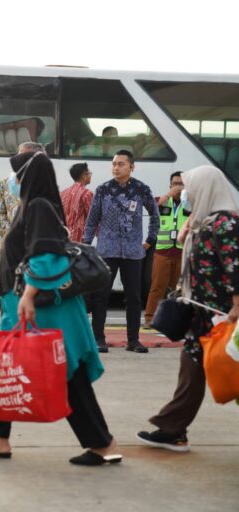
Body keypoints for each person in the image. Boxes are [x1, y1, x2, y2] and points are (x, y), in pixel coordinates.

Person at [0, 151, 120, 466]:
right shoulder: (35, 204)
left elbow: (47, 256)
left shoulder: (38, 206)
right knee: (12, 370)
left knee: (67, 374)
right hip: (27, 304)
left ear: (27, 177)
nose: (14, 180)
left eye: (17, 174)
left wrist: (29, 296)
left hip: (42, 307)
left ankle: (103, 444)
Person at [137, 166, 239, 452]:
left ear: (206, 188)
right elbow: (185, 244)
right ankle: (173, 429)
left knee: (205, 369)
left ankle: (172, 429)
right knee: (192, 368)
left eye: (190, 188)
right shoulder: (205, 220)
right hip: (203, 313)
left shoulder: (226, 224)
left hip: (221, 315)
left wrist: (236, 305)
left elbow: (235, 267)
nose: (186, 193)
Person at [83, 150, 159, 353]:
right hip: (107, 250)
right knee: (101, 295)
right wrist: (86, 246)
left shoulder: (141, 189)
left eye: (121, 164)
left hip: (133, 252)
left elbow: (155, 216)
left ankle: (133, 340)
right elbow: (92, 220)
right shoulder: (103, 190)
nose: (116, 167)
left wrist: (150, 240)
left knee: (133, 296)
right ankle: (98, 338)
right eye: (114, 164)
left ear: (132, 167)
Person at [143, 172, 188, 329]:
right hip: (163, 251)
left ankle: (182, 321)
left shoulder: (190, 203)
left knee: (182, 289)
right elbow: (151, 207)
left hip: (183, 252)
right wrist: (168, 195)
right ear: (170, 186)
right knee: (157, 287)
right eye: (175, 184)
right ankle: (149, 319)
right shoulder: (162, 201)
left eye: (181, 184)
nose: (178, 187)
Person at [0, 142, 42, 261]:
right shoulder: (5, 183)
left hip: (36, 252)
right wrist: (13, 235)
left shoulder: (46, 184)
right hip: (9, 250)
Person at [60, 162, 94, 242]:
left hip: (64, 237)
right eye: (89, 174)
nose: (90, 176)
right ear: (84, 176)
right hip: (79, 239)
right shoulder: (86, 193)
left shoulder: (63, 193)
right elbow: (92, 217)